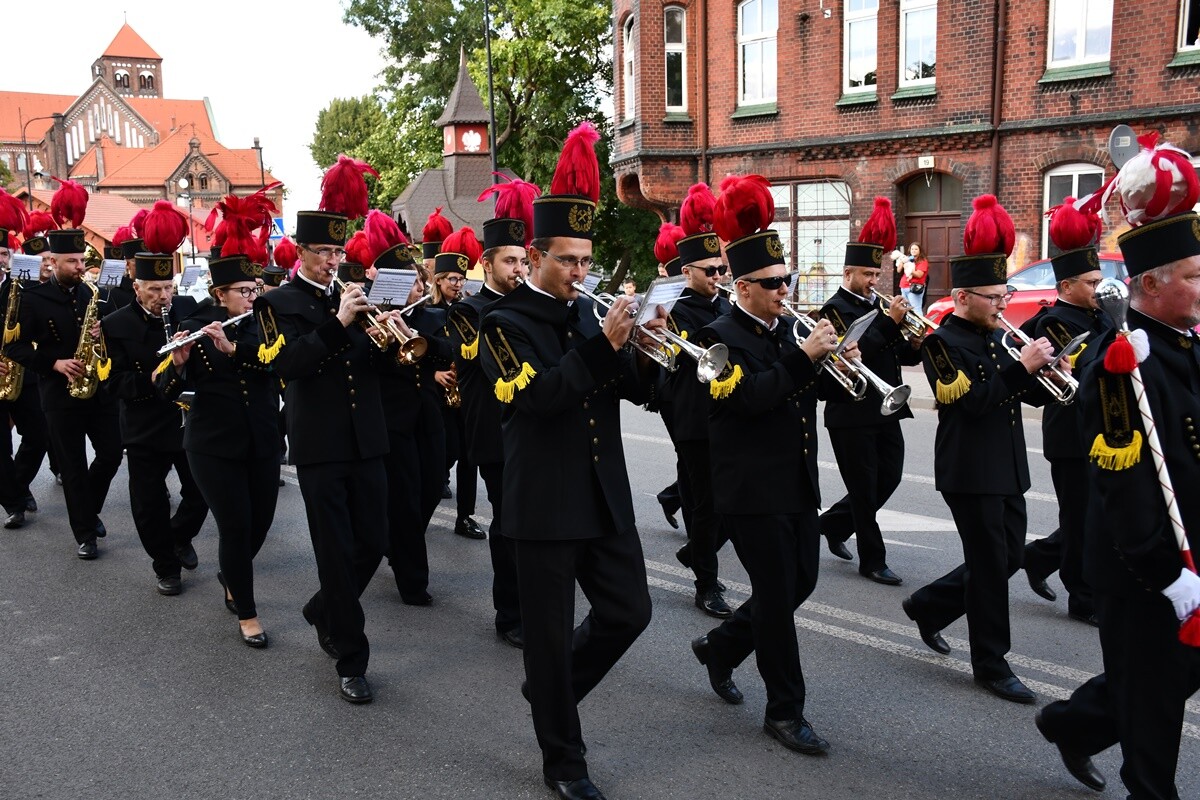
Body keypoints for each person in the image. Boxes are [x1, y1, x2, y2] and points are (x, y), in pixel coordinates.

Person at [479, 123, 659, 800]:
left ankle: (551, 694)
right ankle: (564, 760)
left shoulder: (590, 318)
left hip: (603, 496)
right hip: (544, 502)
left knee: (629, 613)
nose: (581, 274)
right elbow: (539, 400)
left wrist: (643, 345)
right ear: (533, 257)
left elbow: (639, 393)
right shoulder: (505, 323)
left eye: (587, 262)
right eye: (568, 262)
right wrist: (605, 347)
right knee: (548, 640)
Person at [1035, 135, 1200, 799]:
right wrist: (1171, 577)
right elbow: (1126, 488)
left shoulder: (1182, 344)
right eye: (1192, 275)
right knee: (1156, 707)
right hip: (1145, 566)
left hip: (1187, 549)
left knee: (1169, 675)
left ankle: (1076, 724)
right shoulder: (1120, 362)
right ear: (1151, 283)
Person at [687, 173, 843, 757]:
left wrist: (832, 364)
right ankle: (785, 712)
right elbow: (749, 399)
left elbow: (802, 396)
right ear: (743, 286)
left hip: (795, 480)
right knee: (778, 600)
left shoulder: (784, 331)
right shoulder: (716, 336)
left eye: (787, 280)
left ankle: (722, 647)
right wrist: (805, 360)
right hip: (750, 490)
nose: (785, 291)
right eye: (774, 283)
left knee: (800, 582)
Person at [901, 195, 1057, 704]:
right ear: (964, 296)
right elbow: (973, 404)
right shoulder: (942, 343)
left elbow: (1018, 393)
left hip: (1006, 465)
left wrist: (1047, 373)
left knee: (1009, 555)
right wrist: (1023, 368)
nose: (1003, 304)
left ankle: (930, 604)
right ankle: (991, 663)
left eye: (1004, 293)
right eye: (993, 296)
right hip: (969, 470)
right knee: (991, 565)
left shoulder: (994, 335)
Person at [256, 156, 397, 704]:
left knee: (375, 542)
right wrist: (338, 323)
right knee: (336, 552)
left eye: (341, 252)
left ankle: (323, 608)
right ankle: (350, 655)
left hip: (368, 440)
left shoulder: (357, 301)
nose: (336, 261)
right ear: (301, 254)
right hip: (319, 447)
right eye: (326, 253)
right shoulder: (278, 303)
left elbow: (379, 366)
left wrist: (394, 333)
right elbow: (286, 365)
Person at [158, 249, 279, 646]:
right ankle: (247, 612)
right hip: (212, 444)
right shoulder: (192, 324)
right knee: (236, 526)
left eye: (254, 289)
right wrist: (178, 363)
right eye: (243, 291)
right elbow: (163, 390)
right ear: (219, 293)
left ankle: (233, 573)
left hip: (261, 439)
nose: (251, 297)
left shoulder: (264, 324)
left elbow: (280, 365)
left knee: (260, 523)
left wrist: (235, 349)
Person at [445, 179, 535, 647]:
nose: (519, 269)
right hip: (494, 429)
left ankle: (535, 601)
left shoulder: (531, 303)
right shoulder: (469, 310)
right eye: (509, 261)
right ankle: (509, 613)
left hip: (533, 427)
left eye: (523, 260)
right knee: (508, 522)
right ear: (487, 263)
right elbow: (489, 359)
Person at [818, 197, 924, 586]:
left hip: (884, 407)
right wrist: (892, 325)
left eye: (876, 274)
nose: (873, 282)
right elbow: (855, 353)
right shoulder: (833, 310)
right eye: (866, 274)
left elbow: (890, 351)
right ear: (847, 273)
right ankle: (872, 560)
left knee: (889, 477)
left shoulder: (877, 306)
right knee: (864, 489)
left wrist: (913, 340)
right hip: (850, 413)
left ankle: (831, 524)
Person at [1019, 199, 1113, 626]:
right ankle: (1083, 595)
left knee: (1095, 513)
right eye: (1092, 282)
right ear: (1069, 284)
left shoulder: (1100, 315)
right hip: (1071, 432)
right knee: (1080, 517)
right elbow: (1087, 365)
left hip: (1101, 428)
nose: (1099, 288)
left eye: (1100, 280)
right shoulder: (1054, 321)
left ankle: (1038, 558)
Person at [102, 230, 208, 595]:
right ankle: (165, 565)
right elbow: (111, 382)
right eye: (155, 289)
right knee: (148, 503)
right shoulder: (113, 326)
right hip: (144, 423)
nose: (164, 297)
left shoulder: (186, 311)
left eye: (168, 287)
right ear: (136, 287)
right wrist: (152, 377)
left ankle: (178, 536)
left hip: (185, 421)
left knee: (200, 492)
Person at [9, 225, 123, 560]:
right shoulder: (33, 300)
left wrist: (104, 332)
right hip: (59, 395)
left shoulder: (91, 293)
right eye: (72, 261)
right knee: (72, 465)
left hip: (97, 390)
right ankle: (86, 534)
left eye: (81, 260)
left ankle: (88, 508)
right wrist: (53, 364)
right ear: (53, 262)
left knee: (112, 453)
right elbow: (14, 346)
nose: (80, 266)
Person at [664, 183, 734, 618]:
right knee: (705, 505)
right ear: (687, 270)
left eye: (720, 269)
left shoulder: (725, 303)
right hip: (692, 418)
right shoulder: (675, 309)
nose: (717, 276)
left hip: (726, 416)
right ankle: (705, 583)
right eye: (708, 270)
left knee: (728, 501)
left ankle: (697, 553)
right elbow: (681, 361)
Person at [430, 231, 483, 540]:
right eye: (452, 278)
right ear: (438, 280)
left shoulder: (467, 310)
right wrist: (434, 375)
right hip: (438, 396)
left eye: (461, 279)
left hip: (467, 393)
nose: (458, 284)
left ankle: (465, 516)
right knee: (446, 453)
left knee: (469, 458)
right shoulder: (427, 312)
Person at [0, 220, 49, 530]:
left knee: (39, 434)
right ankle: (14, 504)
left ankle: (16, 484)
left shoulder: (23, 284)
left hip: (22, 373)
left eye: (4, 253)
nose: (1, 259)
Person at [895, 241, 928, 313]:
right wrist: (902, 262)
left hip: (914, 288)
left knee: (915, 309)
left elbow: (919, 275)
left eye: (916, 249)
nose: (913, 250)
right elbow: (898, 270)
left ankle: (918, 324)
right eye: (912, 249)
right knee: (906, 309)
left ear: (920, 250)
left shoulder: (923, 261)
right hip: (904, 286)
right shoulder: (907, 258)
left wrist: (909, 269)